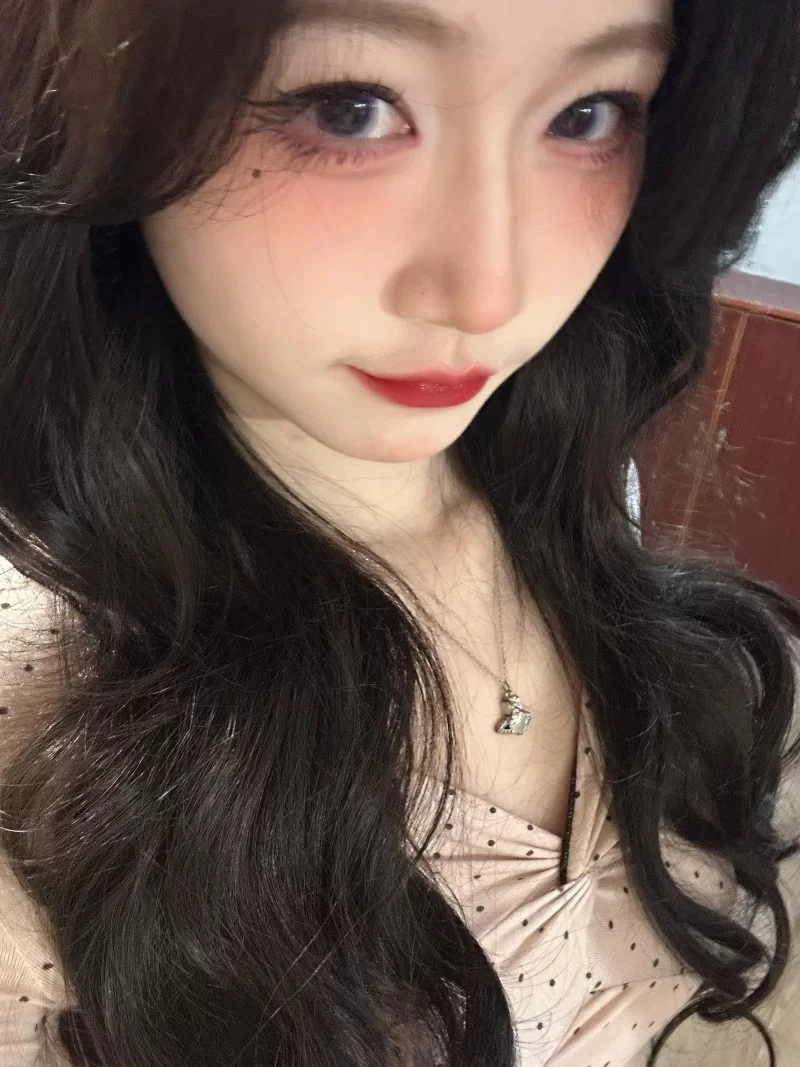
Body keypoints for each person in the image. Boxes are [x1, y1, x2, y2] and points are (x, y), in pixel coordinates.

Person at [0, 0, 799, 1064]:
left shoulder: (564, 462)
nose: (487, 293)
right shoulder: (34, 693)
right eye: (348, 107)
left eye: (588, 113)